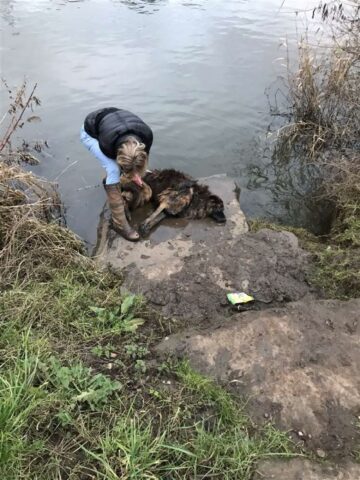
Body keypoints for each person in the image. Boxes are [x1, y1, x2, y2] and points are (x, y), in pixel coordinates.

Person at [80, 107, 153, 241]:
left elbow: (141, 159)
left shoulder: (147, 136)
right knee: (113, 169)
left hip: (114, 124)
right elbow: (116, 162)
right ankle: (118, 224)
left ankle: (109, 181)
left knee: (123, 170)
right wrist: (123, 174)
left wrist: (136, 174)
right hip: (90, 132)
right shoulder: (107, 144)